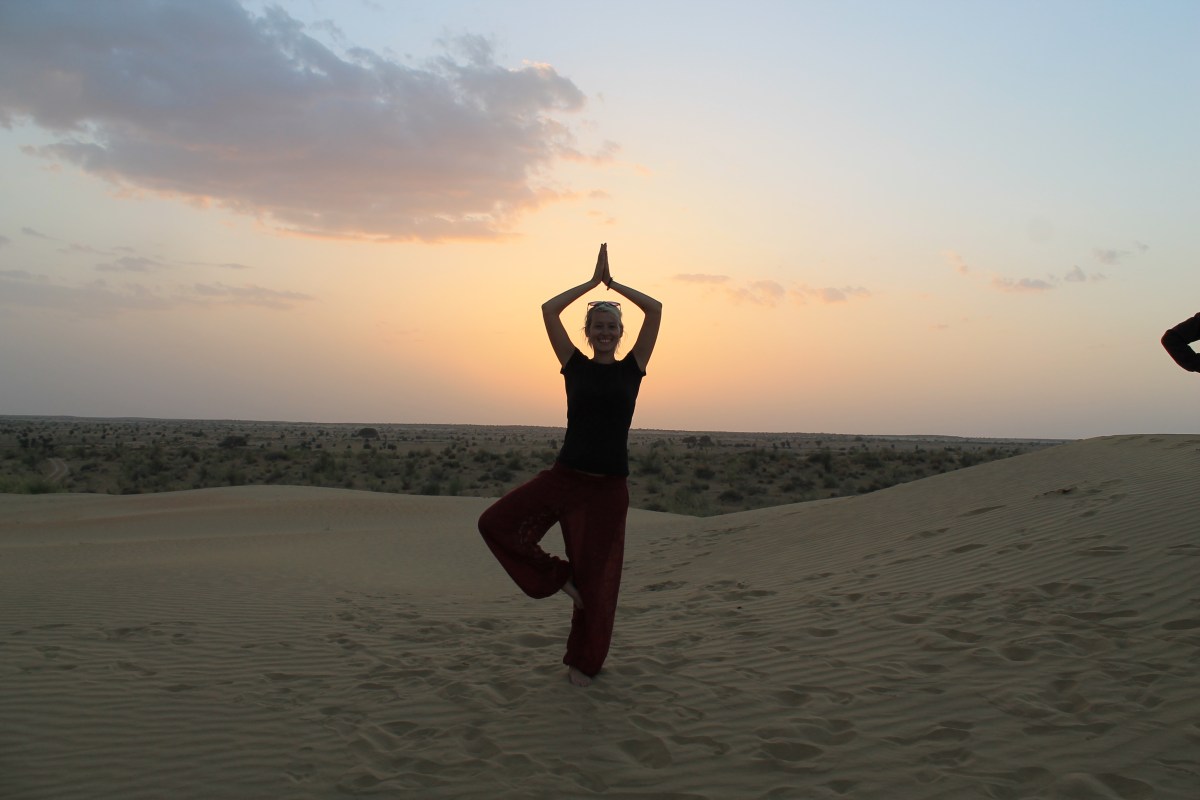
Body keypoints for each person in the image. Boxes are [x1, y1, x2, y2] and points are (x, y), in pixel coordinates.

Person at [477, 243, 662, 687]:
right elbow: (548, 310)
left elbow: (655, 309)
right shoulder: (573, 364)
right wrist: (591, 284)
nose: (605, 331)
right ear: (588, 332)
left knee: (599, 584)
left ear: (621, 332)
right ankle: (560, 578)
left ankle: (583, 664)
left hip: (608, 489)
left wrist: (613, 285)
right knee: (495, 523)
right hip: (565, 477)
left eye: (611, 326)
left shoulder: (633, 368)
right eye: (598, 325)